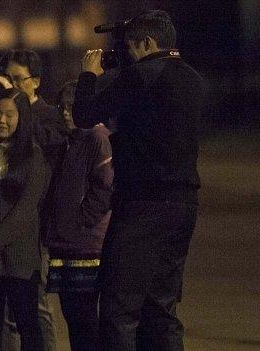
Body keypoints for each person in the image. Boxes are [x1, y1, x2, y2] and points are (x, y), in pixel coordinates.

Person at [72, 10, 207, 350]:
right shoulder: (194, 79)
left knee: (120, 309)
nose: (127, 54)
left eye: (130, 47)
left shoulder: (143, 76)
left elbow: (85, 114)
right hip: (183, 204)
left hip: (143, 205)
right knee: (161, 307)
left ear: (147, 43)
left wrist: (89, 75)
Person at [0, 49, 65, 351]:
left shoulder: (46, 120)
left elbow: (30, 200)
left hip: (29, 238)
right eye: (7, 77)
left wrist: (16, 111)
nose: (11, 83)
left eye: (17, 79)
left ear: (35, 81)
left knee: (33, 314)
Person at [45, 80, 113, 351]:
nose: (65, 113)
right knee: (73, 318)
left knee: (85, 320)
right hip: (65, 245)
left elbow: (105, 189)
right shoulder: (66, 140)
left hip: (87, 247)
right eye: (62, 106)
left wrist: (79, 222)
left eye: (72, 107)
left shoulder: (97, 137)